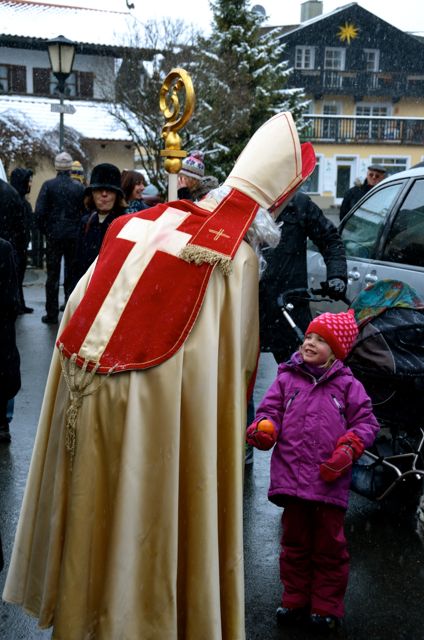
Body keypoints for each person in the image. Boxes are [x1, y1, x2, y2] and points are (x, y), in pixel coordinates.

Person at [3, 111, 316, 640]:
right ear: (276, 202)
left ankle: (84, 616)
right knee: (145, 517)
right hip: (153, 407)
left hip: (84, 381)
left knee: (93, 515)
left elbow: (81, 304)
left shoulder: (151, 217)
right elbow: (231, 369)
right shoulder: (233, 254)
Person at [246, 309, 380, 634]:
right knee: (294, 544)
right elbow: (269, 411)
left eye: (320, 340)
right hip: (291, 481)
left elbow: (366, 422)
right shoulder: (287, 378)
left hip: (328, 483)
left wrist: (348, 448)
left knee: (329, 549)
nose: (310, 343)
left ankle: (326, 606)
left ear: (336, 352)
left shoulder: (348, 386)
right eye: (308, 336)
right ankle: (294, 598)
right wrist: (264, 428)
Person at [259, 191, 347, 364]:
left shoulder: (298, 203)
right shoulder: (243, 200)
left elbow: (330, 240)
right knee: (241, 377)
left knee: (302, 371)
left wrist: (337, 275)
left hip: (289, 306)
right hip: (249, 306)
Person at [35, 151, 85, 324]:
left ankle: (51, 313)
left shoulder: (48, 186)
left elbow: (39, 213)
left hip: (54, 235)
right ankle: (70, 311)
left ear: (56, 167)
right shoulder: (79, 188)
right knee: (72, 275)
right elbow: (84, 213)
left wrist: (48, 231)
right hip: (73, 235)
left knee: (52, 276)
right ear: (70, 167)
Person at [72, 163, 128, 286]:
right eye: (99, 189)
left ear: (117, 195)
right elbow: (77, 264)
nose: (104, 194)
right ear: (91, 193)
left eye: (110, 190)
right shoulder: (86, 222)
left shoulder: (125, 224)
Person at [0, 238, 21, 444]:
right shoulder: (4, 247)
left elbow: (10, 290)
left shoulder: (4, 248)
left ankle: (3, 421)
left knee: (6, 371)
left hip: (2, 320)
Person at [9, 168, 34, 314]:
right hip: (18, 245)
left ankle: (18, 303)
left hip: (19, 245)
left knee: (17, 276)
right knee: (16, 276)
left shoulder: (17, 200)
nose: (30, 185)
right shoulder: (18, 201)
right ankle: (17, 304)